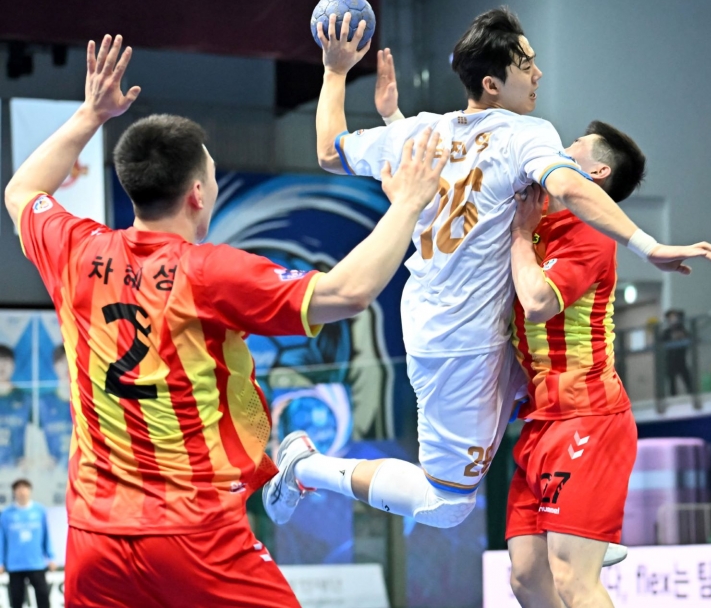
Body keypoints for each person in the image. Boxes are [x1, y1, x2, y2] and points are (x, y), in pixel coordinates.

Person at [4, 34, 448, 607]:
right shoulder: (208, 272)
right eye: (212, 175)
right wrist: (408, 202)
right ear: (197, 193)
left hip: (94, 538)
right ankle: (285, 467)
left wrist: (91, 114)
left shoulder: (76, 251)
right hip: (196, 535)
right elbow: (348, 291)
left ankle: (282, 467)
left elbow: (22, 190)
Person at [265, 8, 711, 535]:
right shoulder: (528, 133)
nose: (538, 74)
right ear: (492, 83)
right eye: (527, 65)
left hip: (475, 331)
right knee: (446, 505)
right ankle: (306, 467)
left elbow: (329, 151)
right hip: (459, 344)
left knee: (557, 394)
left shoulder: (421, 131)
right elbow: (568, 185)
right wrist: (649, 245)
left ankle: (586, 527)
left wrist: (336, 71)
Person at [504, 123, 644, 608]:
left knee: (572, 581)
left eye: (571, 149)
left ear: (596, 172)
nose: (556, 153)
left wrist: (519, 235)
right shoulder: (537, 216)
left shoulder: (592, 231)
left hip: (588, 418)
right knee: (527, 578)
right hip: (539, 422)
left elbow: (537, 301)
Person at [0, 480, 56, 608]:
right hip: (15, 565)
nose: (22, 492)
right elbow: (2, 539)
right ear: (14, 492)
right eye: (19, 489)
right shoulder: (6, 514)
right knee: (16, 600)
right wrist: (1, 562)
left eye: (25, 488)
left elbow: (46, 535)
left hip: (36, 563)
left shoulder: (40, 511)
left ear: (29, 491)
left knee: (43, 597)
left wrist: (50, 557)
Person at [38, 346, 72, 469]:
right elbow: (34, 435)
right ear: (54, 366)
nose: (67, 366)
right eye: (62, 362)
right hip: (54, 471)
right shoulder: (43, 403)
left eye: (70, 360)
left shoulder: (89, 399)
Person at [0, 346, 30, 469]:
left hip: (17, 470)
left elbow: (37, 433)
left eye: (5, 361)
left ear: (13, 365)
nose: (1, 366)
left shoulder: (26, 399)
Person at [661, 310, 693, 396]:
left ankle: (691, 394)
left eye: (674, 317)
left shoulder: (682, 330)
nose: (673, 320)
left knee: (687, 379)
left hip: (681, 360)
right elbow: (661, 342)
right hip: (670, 361)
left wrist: (681, 336)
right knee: (672, 383)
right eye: (670, 318)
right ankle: (673, 397)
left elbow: (690, 338)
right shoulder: (667, 332)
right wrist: (672, 338)